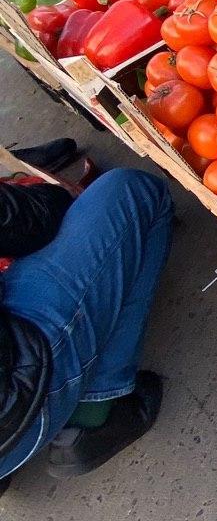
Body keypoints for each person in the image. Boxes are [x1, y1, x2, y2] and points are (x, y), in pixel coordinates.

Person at [0, 161, 172, 491]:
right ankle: (95, 415)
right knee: (132, 191)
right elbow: (34, 220)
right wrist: (46, 195)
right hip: (23, 393)